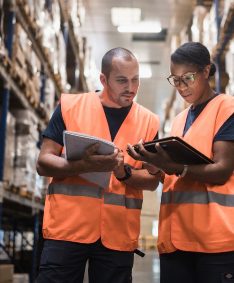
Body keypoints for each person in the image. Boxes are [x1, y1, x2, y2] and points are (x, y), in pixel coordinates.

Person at [127, 42, 234, 283]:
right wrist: (152, 164)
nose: (181, 87)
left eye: (187, 78)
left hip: (219, 240)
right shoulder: (178, 121)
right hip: (177, 241)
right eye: (175, 80)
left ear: (206, 71)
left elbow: (221, 171)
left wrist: (173, 167)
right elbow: (172, 178)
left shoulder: (227, 109)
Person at [36, 47, 161, 283]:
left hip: (118, 234)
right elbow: (43, 162)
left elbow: (153, 181)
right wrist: (81, 165)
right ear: (103, 79)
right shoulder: (70, 107)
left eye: (136, 79)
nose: (131, 88)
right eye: (122, 80)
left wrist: (123, 173)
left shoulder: (149, 122)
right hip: (67, 230)